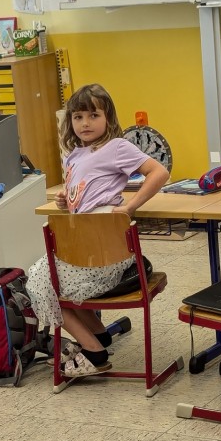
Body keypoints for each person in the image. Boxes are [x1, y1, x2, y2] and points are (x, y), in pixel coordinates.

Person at [24, 83, 169, 378]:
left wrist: (130, 206)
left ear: (108, 118)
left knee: (39, 285)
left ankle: (93, 351)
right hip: (85, 253)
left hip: (106, 256)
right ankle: (98, 335)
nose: (85, 123)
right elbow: (82, 195)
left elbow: (159, 172)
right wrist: (67, 199)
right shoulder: (74, 155)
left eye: (93, 115)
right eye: (78, 117)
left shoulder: (116, 147)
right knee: (47, 280)